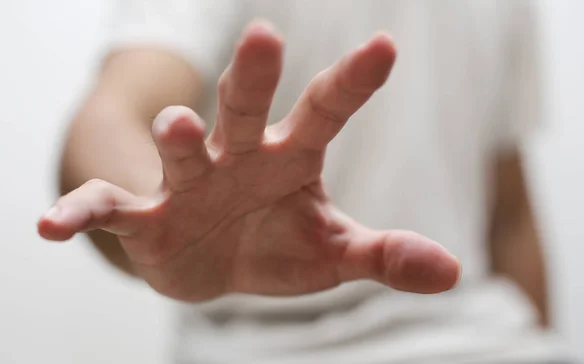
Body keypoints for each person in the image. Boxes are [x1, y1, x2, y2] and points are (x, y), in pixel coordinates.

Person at [38, 0, 570, 363]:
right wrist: (158, 218)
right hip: (268, 350)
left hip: (488, 342)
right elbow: (110, 116)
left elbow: (508, 215)